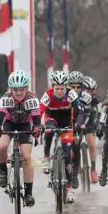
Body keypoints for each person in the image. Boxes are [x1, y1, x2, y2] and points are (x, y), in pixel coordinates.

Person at [0, 70, 41, 207]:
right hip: (9, 123)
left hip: (25, 125)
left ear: (27, 88)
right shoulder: (5, 98)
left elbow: (37, 120)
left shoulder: (32, 99)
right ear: (10, 89)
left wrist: (37, 128)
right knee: (2, 147)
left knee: (26, 157)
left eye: (22, 90)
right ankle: (3, 169)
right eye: (15, 90)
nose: (19, 93)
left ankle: (29, 193)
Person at [40, 70, 83, 204]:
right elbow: (40, 110)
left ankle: (69, 188)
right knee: (49, 131)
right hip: (51, 118)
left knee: (67, 155)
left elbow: (79, 111)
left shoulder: (71, 94)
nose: (59, 91)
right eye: (57, 88)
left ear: (66, 87)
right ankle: (46, 157)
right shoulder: (47, 95)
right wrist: (37, 124)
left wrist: (77, 124)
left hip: (66, 121)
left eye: (62, 88)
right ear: (52, 87)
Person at [68, 70, 90, 189]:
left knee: (76, 145)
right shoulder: (65, 94)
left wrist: (82, 125)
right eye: (73, 86)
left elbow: (86, 113)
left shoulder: (86, 97)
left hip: (79, 122)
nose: (75, 89)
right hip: (66, 122)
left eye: (78, 86)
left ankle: (75, 176)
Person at [81, 76, 102, 183]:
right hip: (79, 124)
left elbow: (99, 112)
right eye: (88, 90)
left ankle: (93, 170)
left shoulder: (96, 99)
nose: (90, 93)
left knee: (92, 145)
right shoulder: (78, 97)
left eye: (92, 90)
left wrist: (98, 124)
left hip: (90, 125)